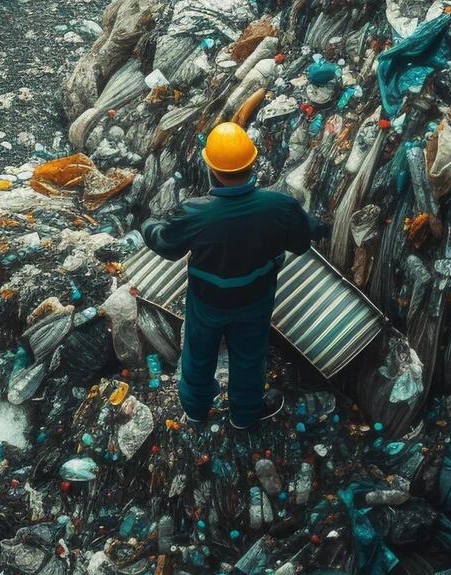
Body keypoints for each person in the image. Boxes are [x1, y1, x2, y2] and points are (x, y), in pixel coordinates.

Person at [141, 122, 329, 429]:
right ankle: (244, 415)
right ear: (252, 164)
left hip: (207, 301)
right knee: (249, 357)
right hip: (255, 298)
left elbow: (167, 245)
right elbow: (301, 242)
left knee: (199, 355)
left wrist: (148, 225)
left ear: (212, 169)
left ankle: (196, 410)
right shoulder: (279, 205)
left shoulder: (196, 212)